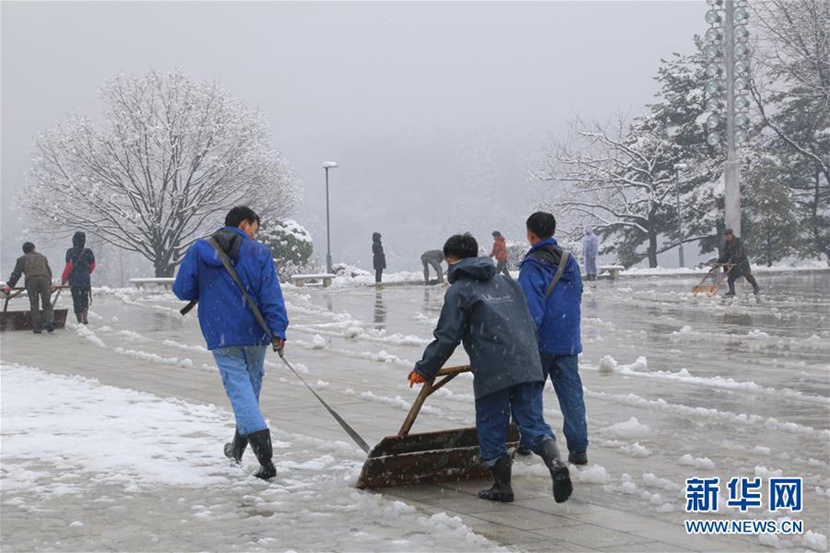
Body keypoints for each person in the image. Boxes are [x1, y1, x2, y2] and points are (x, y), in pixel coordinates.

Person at [408, 233, 572, 504]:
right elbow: (529, 322)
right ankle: (556, 464)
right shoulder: (507, 282)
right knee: (532, 423)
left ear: (451, 259)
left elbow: (448, 336)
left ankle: (502, 487)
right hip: (527, 361)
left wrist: (425, 369)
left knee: (492, 425)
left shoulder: (459, 290)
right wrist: (528, 356)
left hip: (494, 367)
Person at [173, 206, 288, 480]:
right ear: (245, 223)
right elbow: (271, 295)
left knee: (242, 393)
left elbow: (182, 290)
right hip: (255, 332)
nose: (254, 235)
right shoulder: (259, 253)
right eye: (254, 229)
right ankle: (240, 451)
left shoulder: (200, 250)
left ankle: (264, 462)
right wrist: (278, 330)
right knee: (249, 392)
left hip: (221, 332)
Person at [518, 212, 588, 466]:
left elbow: (531, 307)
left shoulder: (532, 265)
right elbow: (577, 294)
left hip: (541, 340)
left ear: (531, 235)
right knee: (571, 394)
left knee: (529, 393)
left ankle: (528, 440)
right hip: (567, 339)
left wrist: (525, 338)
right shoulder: (569, 261)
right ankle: (579, 448)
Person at [3, 242, 54, 333]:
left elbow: (16, 274)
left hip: (31, 280)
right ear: (33, 248)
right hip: (45, 279)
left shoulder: (21, 259)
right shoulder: (42, 257)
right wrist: (50, 283)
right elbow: (49, 271)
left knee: (34, 303)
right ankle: (49, 322)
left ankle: (37, 327)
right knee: (47, 303)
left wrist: (10, 285)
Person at [61, 231, 96, 324]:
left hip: (74, 279)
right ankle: (85, 317)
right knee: (85, 297)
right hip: (85, 279)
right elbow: (93, 265)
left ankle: (79, 320)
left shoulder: (70, 251)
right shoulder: (88, 252)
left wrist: (64, 278)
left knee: (76, 299)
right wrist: (87, 272)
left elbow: (69, 266)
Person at [718, 228, 761, 297]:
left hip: (742, 263)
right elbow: (725, 254)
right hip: (735, 265)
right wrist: (720, 261)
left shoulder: (738, 242)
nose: (727, 237)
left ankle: (756, 287)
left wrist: (731, 259)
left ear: (731, 235)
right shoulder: (727, 244)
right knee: (730, 279)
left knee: (747, 276)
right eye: (726, 236)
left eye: (728, 236)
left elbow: (738, 253)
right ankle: (732, 291)